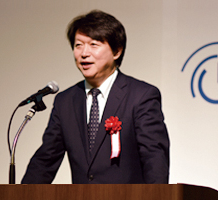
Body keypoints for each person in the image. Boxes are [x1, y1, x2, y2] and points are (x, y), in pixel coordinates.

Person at [21, 10, 169, 184]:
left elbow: (154, 159)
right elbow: (45, 161)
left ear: (117, 51)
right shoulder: (65, 101)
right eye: (78, 45)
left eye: (93, 44)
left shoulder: (141, 96)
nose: (84, 53)